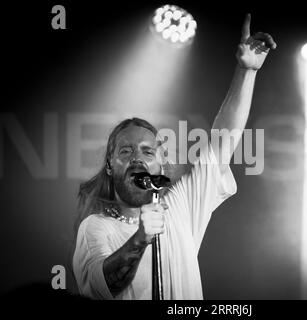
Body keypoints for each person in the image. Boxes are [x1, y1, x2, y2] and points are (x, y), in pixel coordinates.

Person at [72, 14, 276, 300]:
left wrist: (247, 72)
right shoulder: (96, 227)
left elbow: (222, 143)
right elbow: (103, 285)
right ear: (109, 164)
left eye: (147, 151)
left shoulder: (179, 203)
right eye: (126, 151)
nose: (137, 158)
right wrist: (141, 238)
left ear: (160, 162)